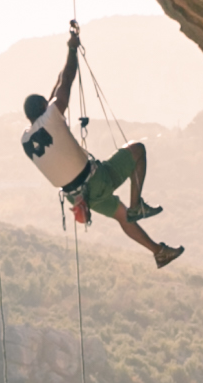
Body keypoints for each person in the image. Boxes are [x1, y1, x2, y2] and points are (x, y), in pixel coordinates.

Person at [20, 26, 182, 269]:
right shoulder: (51, 115)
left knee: (120, 215)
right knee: (137, 150)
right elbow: (67, 82)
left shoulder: (25, 139)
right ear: (45, 107)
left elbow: (55, 92)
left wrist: (56, 82)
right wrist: (71, 49)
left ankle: (159, 252)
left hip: (79, 199)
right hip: (96, 181)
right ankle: (137, 204)